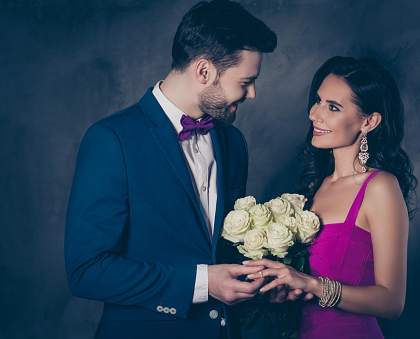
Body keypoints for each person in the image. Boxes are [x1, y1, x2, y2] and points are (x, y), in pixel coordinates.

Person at [64, 1, 276, 338]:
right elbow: (87, 271)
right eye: (246, 81)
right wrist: (204, 283)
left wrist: (261, 284)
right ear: (204, 71)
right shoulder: (111, 140)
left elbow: (221, 250)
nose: (252, 93)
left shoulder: (234, 142)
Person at [244, 56, 417, 338]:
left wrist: (312, 285)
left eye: (332, 107)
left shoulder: (380, 186)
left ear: (369, 121)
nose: (315, 113)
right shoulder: (317, 186)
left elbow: (392, 302)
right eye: (318, 100)